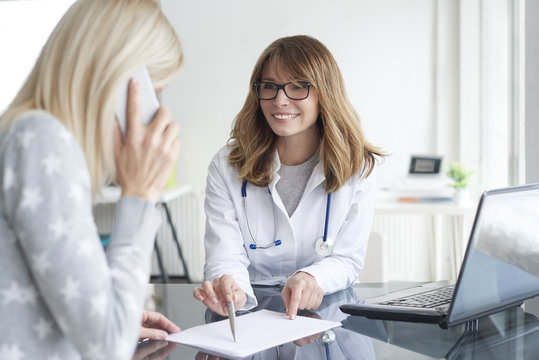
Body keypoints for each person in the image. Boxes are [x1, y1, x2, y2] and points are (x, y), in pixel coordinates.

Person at [0, 0, 182, 358]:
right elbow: (107, 345)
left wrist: (117, 309)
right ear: (118, 83)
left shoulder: (26, 133)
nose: (156, 113)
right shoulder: (41, 139)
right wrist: (140, 196)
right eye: (154, 94)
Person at [194, 35, 384, 320]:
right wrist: (231, 288)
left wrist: (311, 277)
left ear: (325, 93)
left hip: (324, 315)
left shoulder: (357, 166)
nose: (280, 100)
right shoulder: (227, 164)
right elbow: (225, 255)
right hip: (250, 312)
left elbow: (347, 258)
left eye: (298, 86)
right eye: (269, 86)